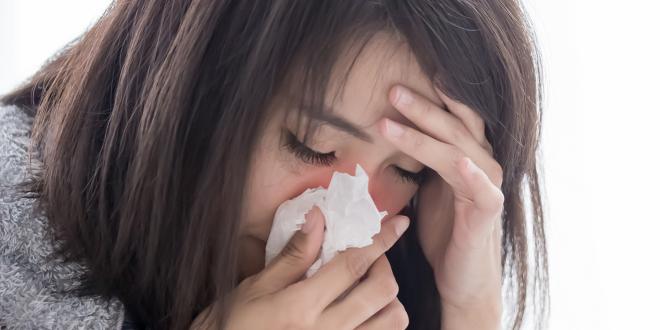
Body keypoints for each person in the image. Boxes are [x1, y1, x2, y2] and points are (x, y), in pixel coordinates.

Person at [0, 0, 548, 329]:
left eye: (408, 170)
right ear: (189, 89)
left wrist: (468, 305)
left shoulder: (404, 261)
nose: (346, 218)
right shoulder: (15, 236)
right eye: (312, 144)